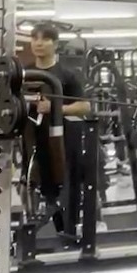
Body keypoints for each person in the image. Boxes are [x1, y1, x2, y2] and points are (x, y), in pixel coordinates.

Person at [29, 23, 91, 229]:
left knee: (66, 188)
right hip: (33, 140)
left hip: (63, 142)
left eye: (45, 39)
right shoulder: (23, 73)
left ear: (55, 44)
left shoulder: (66, 74)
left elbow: (85, 107)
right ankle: (51, 227)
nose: (38, 43)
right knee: (42, 189)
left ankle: (68, 230)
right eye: (35, 38)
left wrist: (55, 108)